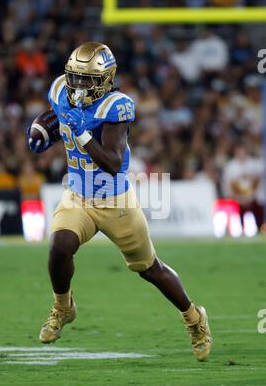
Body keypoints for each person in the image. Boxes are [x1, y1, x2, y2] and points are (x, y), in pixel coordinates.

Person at [27, 42, 212, 361]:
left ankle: (194, 318)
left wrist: (81, 134)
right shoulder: (60, 89)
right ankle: (63, 307)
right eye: (75, 77)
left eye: (87, 79)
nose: (78, 85)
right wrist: (44, 130)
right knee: (59, 247)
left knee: (150, 269)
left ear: (106, 79)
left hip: (115, 201)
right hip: (78, 196)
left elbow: (113, 161)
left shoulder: (116, 106)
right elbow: (58, 115)